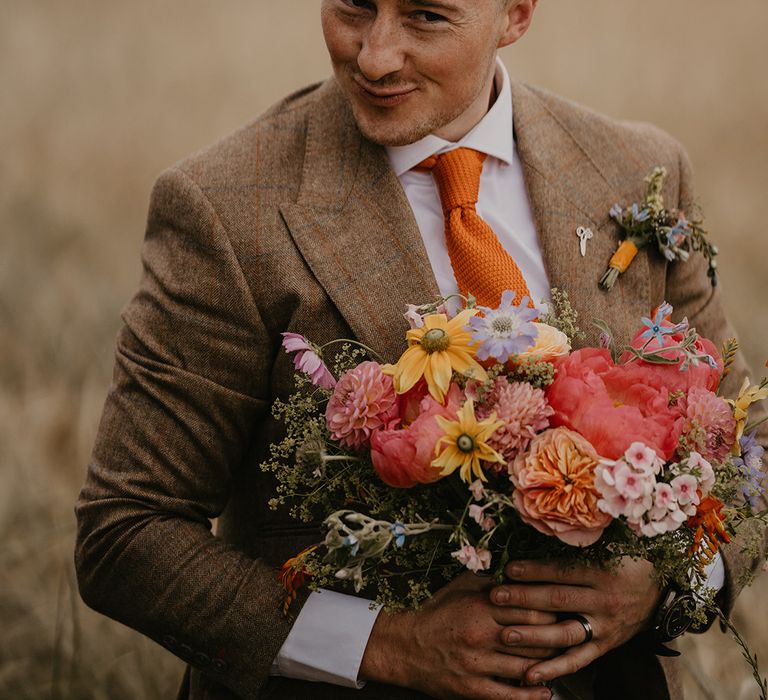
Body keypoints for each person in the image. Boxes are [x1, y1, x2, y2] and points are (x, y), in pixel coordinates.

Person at [74, 1, 765, 699]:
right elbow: (125, 532)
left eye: (426, 16)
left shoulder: (639, 169)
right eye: (354, 4)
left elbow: (750, 447)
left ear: (516, 13)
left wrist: (666, 581)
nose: (374, 55)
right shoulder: (223, 208)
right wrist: (381, 645)